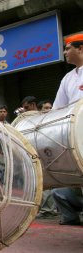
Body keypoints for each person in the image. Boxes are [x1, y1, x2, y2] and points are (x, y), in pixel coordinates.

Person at [52, 33, 83, 226]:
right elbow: (58, 111)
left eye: (68, 47)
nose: (64, 52)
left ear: (81, 48)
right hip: (75, 138)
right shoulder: (67, 78)